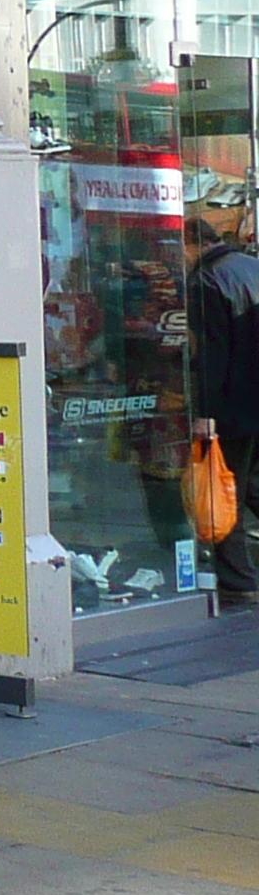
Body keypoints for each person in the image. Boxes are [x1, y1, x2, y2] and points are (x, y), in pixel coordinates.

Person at [183, 195, 259, 612]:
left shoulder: (205, 282)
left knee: (222, 489)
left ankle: (238, 579)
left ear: (191, 244)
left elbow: (210, 354)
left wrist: (204, 412)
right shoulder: (251, 267)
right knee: (249, 485)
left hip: (231, 404)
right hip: (254, 399)